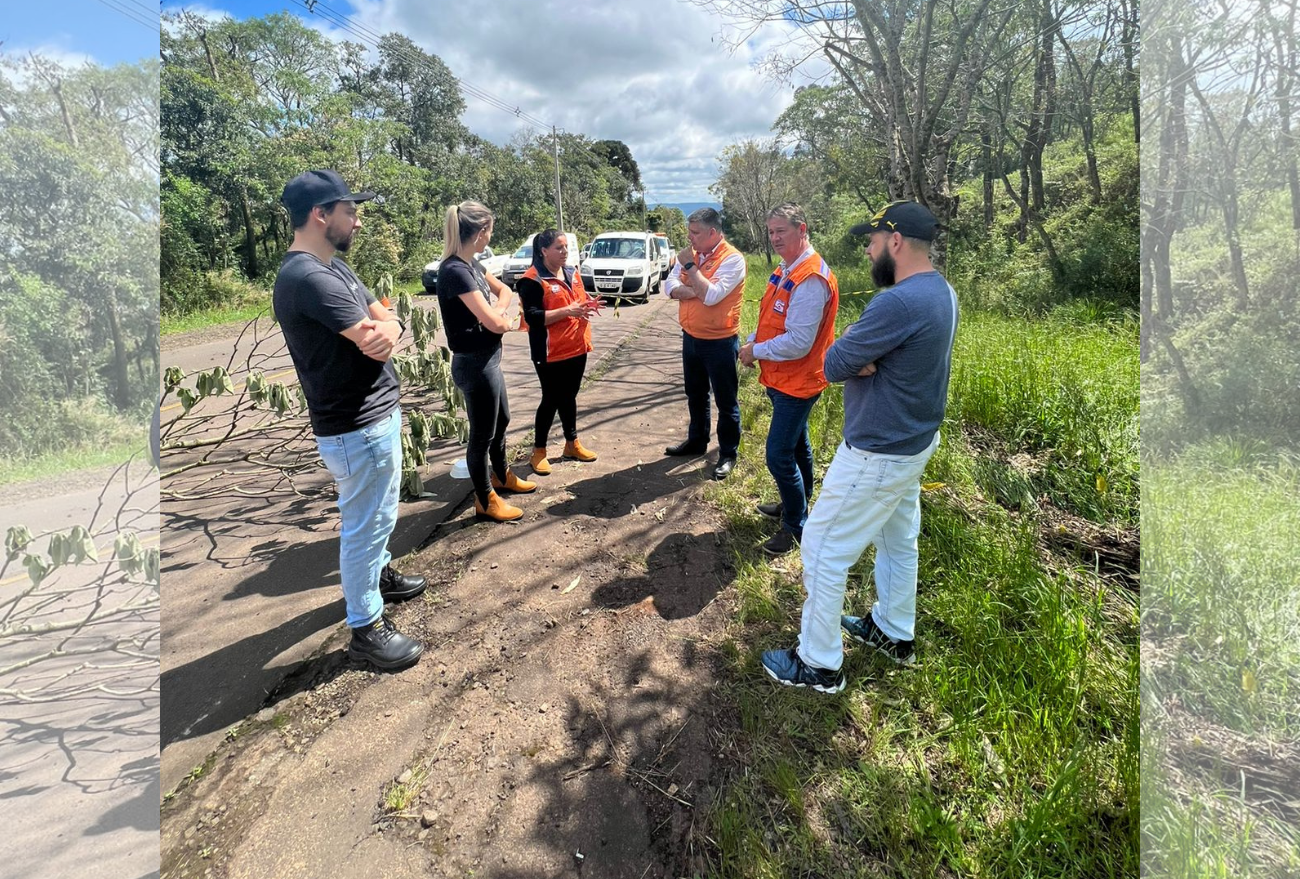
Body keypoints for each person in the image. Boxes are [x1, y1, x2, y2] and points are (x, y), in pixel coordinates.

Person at [761, 201, 959, 693]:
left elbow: (831, 363)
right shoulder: (942, 291)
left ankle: (819, 663)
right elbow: (852, 357)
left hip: (877, 451)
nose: (868, 252)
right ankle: (893, 631)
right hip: (914, 444)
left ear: (895, 242)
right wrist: (858, 354)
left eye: (871, 242)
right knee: (897, 540)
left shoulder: (898, 302)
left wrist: (855, 352)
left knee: (823, 549)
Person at [273, 169, 425, 671]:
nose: (357, 223)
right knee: (366, 524)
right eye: (350, 212)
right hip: (355, 428)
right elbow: (375, 339)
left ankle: (379, 576)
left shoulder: (334, 267)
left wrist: (390, 324)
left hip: (371, 420)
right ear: (321, 215)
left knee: (377, 518)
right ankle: (366, 628)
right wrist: (386, 326)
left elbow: (387, 318)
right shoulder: (308, 278)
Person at [739, 203, 840, 557]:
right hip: (783, 378)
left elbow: (798, 342)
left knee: (778, 455)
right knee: (798, 447)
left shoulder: (810, 277)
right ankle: (795, 505)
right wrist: (753, 341)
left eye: (781, 230)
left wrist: (756, 351)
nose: (775, 238)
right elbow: (774, 322)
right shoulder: (788, 268)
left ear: (802, 229)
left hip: (799, 381)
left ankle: (796, 526)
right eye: (771, 232)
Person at [435, 200, 536, 522]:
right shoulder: (454, 270)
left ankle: (501, 476)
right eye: (490, 230)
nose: (491, 236)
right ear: (480, 232)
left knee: (501, 420)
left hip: (489, 359)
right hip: (474, 364)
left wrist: (499, 313)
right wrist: (503, 320)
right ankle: (484, 499)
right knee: (482, 435)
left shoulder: (472, 265)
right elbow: (494, 323)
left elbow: (504, 291)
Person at [662, 207, 748, 480]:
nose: (690, 239)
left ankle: (727, 453)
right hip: (691, 337)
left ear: (713, 232)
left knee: (726, 401)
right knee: (695, 393)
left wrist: (690, 268)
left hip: (720, 341)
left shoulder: (732, 260)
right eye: (689, 232)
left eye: (695, 233)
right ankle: (697, 441)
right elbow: (668, 285)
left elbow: (712, 297)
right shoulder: (693, 253)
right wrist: (693, 290)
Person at [516, 228, 602, 475]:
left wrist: (588, 305)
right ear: (543, 251)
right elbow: (532, 317)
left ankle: (571, 444)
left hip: (577, 346)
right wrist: (568, 311)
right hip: (549, 352)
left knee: (569, 396)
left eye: (566, 247)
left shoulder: (572, 272)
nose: (564, 252)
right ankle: (539, 451)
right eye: (559, 247)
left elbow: (578, 300)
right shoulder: (531, 280)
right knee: (551, 399)